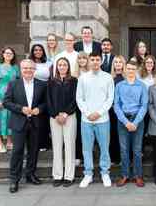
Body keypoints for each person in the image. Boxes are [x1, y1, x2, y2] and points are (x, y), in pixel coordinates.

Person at [3, 59, 47, 193]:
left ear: (35, 70)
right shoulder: (13, 84)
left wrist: (39, 109)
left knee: (33, 151)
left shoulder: (41, 85)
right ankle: (14, 180)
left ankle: (30, 175)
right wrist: (20, 108)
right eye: (25, 68)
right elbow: (6, 102)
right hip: (18, 122)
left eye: (30, 68)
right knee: (17, 151)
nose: (28, 70)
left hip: (35, 123)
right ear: (21, 70)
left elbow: (45, 102)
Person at [76, 52, 114, 188]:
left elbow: (110, 98)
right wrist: (87, 113)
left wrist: (99, 113)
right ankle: (88, 174)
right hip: (86, 120)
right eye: (92, 59)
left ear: (101, 61)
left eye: (97, 59)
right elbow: (79, 98)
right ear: (89, 61)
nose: (95, 62)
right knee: (87, 148)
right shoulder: (83, 78)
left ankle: (105, 173)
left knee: (104, 148)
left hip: (103, 119)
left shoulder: (108, 77)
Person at [114, 61, 148, 188]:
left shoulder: (142, 86)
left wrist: (135, 122)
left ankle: (138, 176)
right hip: (123, 120)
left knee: (137, 150)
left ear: (136, 70)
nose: (130, 71)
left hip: (137, 120)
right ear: (125, 69)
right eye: (128, 68)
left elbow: (144, 106)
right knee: (124, 149)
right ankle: (125, 175)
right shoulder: (119, 86)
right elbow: (116, 105)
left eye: (133, 69)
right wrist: (126, 122)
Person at [47, 57, 78, 187]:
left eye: (64, 64)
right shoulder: (51, 82)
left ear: (68, 66)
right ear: (56, 67)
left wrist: (65, 114)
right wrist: (55, 115)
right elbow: (48, 100)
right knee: (57, 146)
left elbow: (75, 99)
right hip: (55, 118)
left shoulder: (74, 81)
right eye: (59, 65)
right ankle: (57, 175)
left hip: (69, 117)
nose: (62, 67)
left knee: (69, 145)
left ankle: (69, 176)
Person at [0, 47, 20, 153]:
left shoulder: (15, 68)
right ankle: (0, 143)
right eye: (7, 53)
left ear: (13, 56)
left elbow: (18, 83)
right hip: (1, 95)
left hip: (12, 96)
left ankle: (9, 141)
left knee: (10, 118)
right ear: (3, 54)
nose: (9, 55)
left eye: (11, 53)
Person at [29, 44, 52, 151]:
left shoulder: (48, 63)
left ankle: (45, 143)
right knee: (35, 118)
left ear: (43, 51)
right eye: (35, 50)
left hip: (46, 91)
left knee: (45, 118)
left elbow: (51, 78)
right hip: (33, 91)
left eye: (40, 50)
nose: (38, 52)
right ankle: (35, 143)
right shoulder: (29, 63)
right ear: (32, 52)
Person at [109, 55, 127, 164]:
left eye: (120, 62)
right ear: (113, 64)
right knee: (113, 134)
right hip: (112, 111)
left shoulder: (127, 78)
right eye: (116, 62)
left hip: (124, 111)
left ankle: (123, 158)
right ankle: (114, 158)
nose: (118, 64)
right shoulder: (109, 78)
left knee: (123, 135)